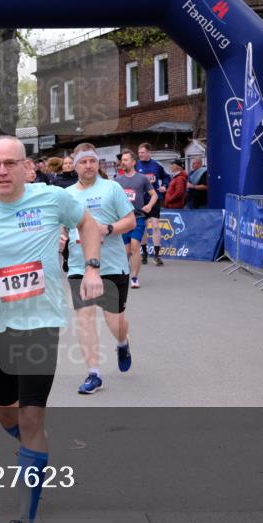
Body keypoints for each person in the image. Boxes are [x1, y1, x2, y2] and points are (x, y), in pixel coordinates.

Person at [0, 135, 104, 523]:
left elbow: (88, 224)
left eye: (10, 163)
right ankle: (34, 454)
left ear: (25, 167)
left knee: (32, 415)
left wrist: (91, 268)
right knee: (6, 413)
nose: (2, 171)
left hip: (40, 322)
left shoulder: (52, 199)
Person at [63, 143, 136, 395]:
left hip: (112, 264)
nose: (88, 166)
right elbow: (62, 226)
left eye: (92, 161)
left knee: (114, 322)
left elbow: (131, 221)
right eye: (83, 162)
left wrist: (108, 229)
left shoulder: (112, 188)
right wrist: (62, 237)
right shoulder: (67, 195)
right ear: (75, 166)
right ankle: (94, 374)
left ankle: (122, 342)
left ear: (98, 164)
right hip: (79, 265)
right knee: (84, 319)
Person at [115, 150, 156, 289]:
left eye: (126, 160)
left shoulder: (142, 178)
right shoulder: (117, 180)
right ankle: (122, 274)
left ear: (133, 162)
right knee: (126, 251)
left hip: (138, 217)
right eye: (122, 160)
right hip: (123, 219)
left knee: (134, 246)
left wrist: (149, 206)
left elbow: (154, 195)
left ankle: (134, 277)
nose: (123, 162)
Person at [135, 143, 168, 266]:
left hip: (154, 199)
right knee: (143, 228)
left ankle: (157, 255)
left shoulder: (156, 165)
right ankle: (144, 253)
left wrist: (164, 186)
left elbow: (166, 177)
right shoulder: (136, 165)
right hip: (140, 200)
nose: (140, 155)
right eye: (139, 153)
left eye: (142, 152)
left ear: (149, 152)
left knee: (155, 226)